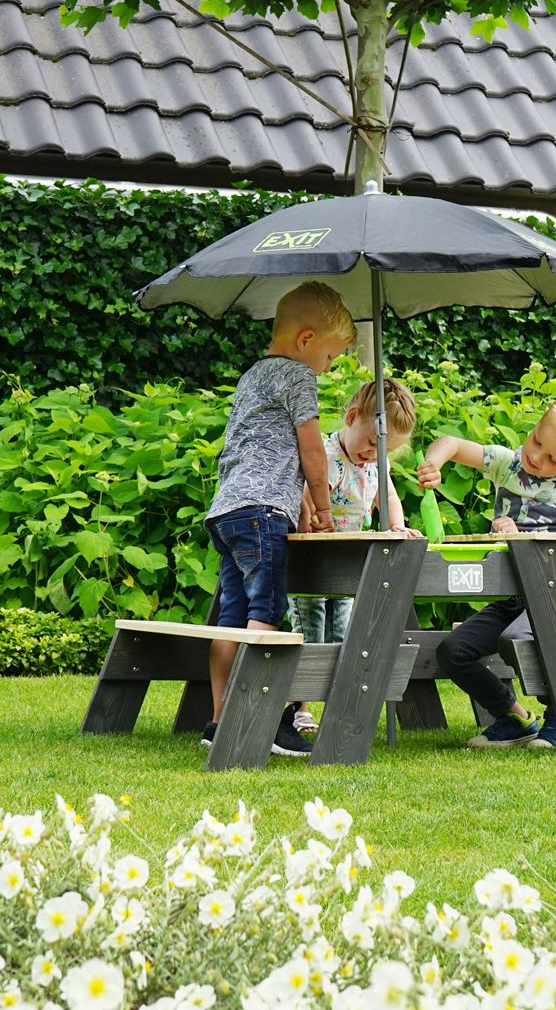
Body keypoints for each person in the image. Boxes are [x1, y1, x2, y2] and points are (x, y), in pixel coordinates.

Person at [415, 383, 556, 751]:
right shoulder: (509, 464)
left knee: (523, 641)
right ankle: (514, 717)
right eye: (536, 441)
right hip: (513, 599)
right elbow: (453, 443)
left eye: (553, 459)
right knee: (453, 651)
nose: (537, 457)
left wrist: (527, 537)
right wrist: (435, 463)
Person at [202, 281, 355, 757]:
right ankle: (263, 722)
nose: (328, 370)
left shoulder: (252, 377)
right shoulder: (297, 377)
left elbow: (264, 452)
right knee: (266, 615)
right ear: (306, 340)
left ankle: (220, 719)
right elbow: (311, 451)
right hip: (263, 514)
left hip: (228, 511)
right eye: (331, 358)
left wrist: (300, 504)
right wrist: (324, 508)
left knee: (231, 620)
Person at [288, 376, 420, 736]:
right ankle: (299, 706)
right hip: (313, 563)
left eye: (385, 451)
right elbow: (307, 496)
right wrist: (311, 519)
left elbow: (389, 498)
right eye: (370, 444)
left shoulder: (375, 465)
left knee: (343, 632)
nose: (373, 455)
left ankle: (337, 699)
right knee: (311, 629)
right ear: (351, 418)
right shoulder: (328, 459)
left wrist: (396, 526)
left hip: (348, 568)